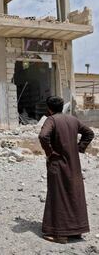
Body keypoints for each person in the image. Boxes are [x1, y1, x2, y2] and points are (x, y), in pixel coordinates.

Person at [38, 96, 94, 244]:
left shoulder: (51, 120)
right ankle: (76, 231)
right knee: (73, 195)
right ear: (62, 106)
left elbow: (43, 136)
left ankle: (60, 235)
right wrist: (78, 148)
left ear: (49, 109)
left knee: (59, 196)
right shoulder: (73, 120)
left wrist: (50, 152)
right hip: (73, 164)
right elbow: (89, 133)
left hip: (57, 164)